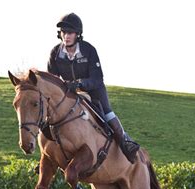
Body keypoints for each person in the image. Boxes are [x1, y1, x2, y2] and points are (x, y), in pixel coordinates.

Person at [47, 13, 140, 164]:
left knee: (108, 114)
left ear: (77, 34)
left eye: (70, 33)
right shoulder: (55, 53)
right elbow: (52, 80)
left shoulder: (89, 50)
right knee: (48, 116)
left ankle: (126, 143)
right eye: (63, 32)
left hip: (94, 91)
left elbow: (97, 78)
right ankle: (47, 154)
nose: (66, 36)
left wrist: (80, 84)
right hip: (69, 93)